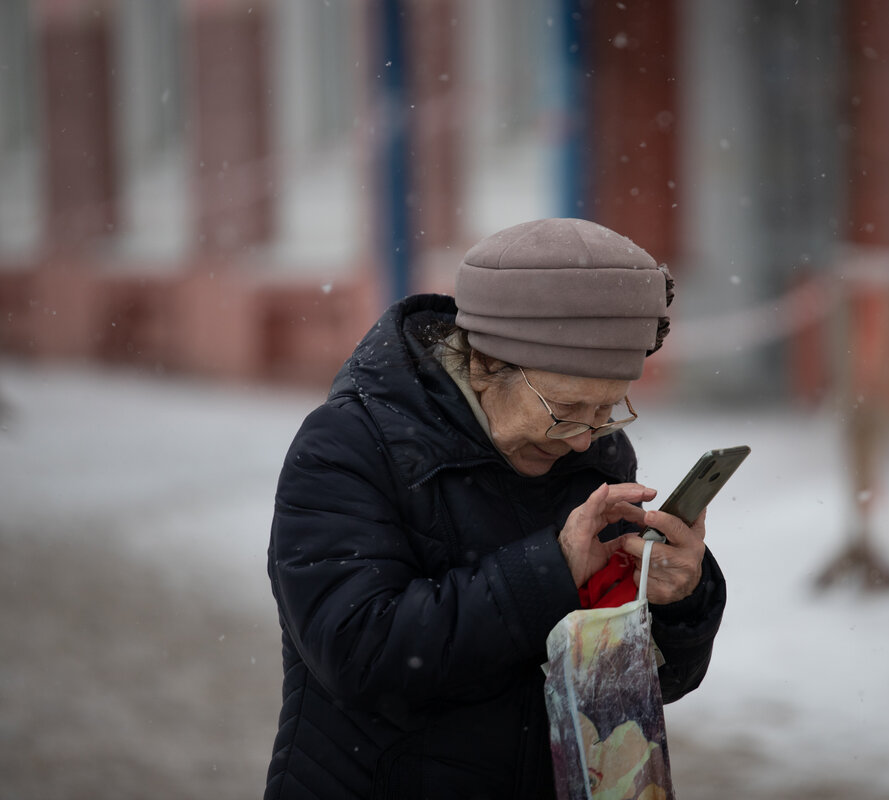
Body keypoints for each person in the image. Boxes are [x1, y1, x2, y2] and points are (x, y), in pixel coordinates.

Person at [264, 218, 726, 799]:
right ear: (485, 365)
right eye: (565, 409)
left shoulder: (595, 453)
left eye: (609, 409)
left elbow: (625, 692)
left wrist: (676, 601)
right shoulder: (349, 446)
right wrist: (551, 572)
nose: (586, 438)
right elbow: (360, 655)